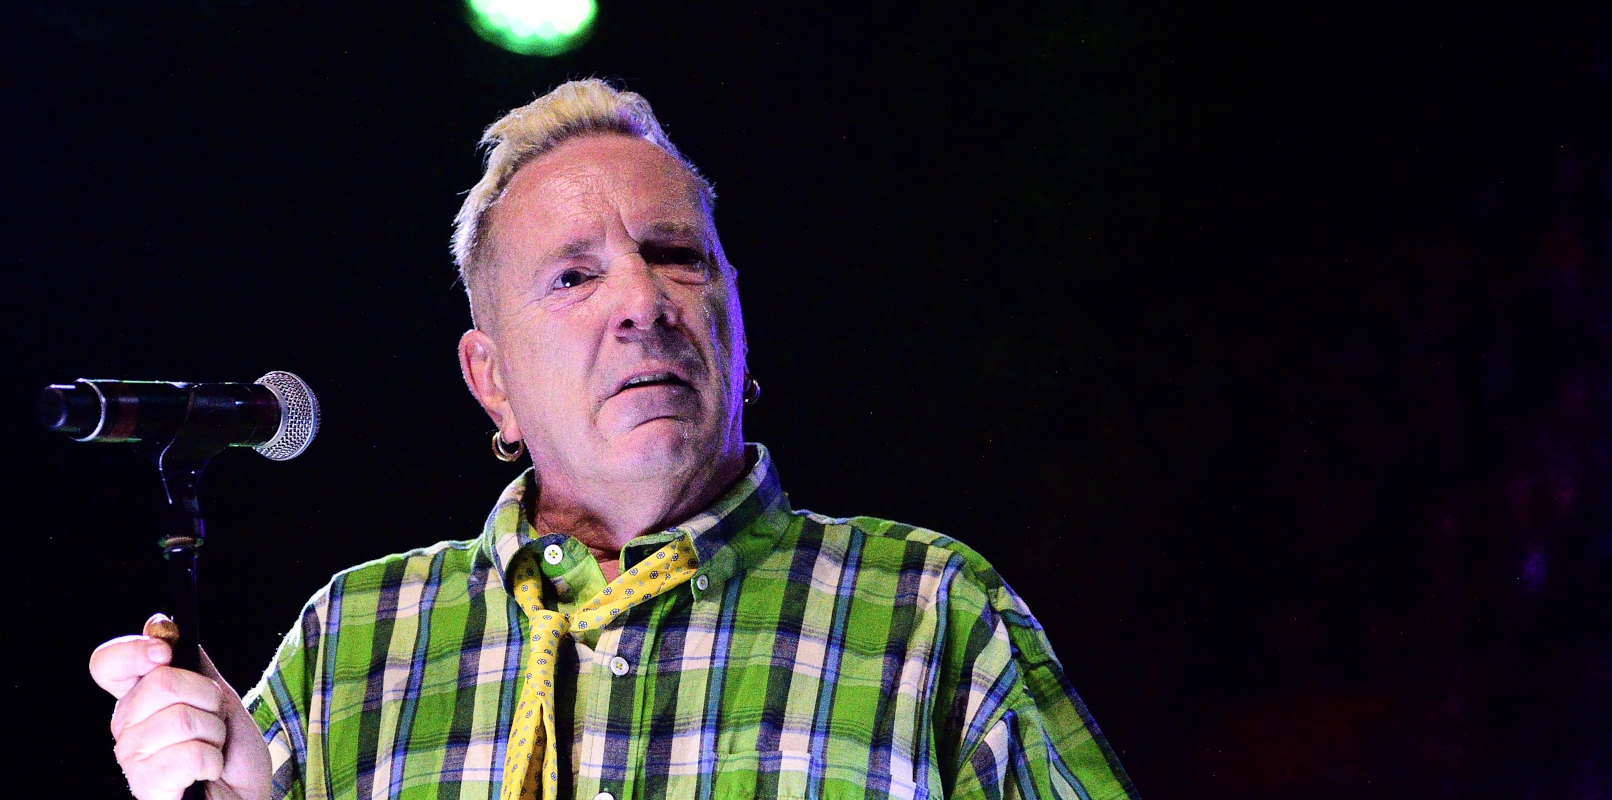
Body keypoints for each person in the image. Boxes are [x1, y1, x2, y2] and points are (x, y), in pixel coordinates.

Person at [89, 79, 1138, 800]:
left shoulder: (929, 609)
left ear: (736, 320)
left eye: (677, 255)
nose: (642, 299)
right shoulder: (350, 641)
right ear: (491, 383)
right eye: (573, 275)